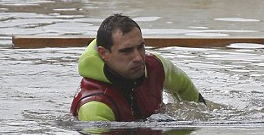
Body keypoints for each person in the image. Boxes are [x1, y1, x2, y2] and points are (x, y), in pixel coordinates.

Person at [71, 14, 204, 121]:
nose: (138, 58)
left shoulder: (156, 65)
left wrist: (198, 111)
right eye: (126, 51)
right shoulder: (95, 107)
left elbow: (185, 89)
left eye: (140, 47)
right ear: (104, 53)